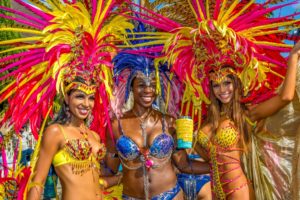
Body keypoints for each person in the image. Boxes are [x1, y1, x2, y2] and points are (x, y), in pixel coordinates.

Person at [0, 1, 134, 199]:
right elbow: (38, 182)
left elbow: (95, 180)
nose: (86, 104)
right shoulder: (56, 132)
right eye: (79, 96)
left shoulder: (93, 136)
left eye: (90, 98)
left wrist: (126, 175)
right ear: (66, 98)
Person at [105, 34, 210, 199]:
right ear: (131, 87)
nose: (148, 90)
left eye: (153, 85)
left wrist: (216, 167)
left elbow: (182, 164)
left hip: (169, 195)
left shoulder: (168, 122)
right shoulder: (117, 125)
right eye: (141, 85)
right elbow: (110, 168)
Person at [195, 42, 300, 199]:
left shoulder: (246, 114)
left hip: (240, 192)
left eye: (227, 83)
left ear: (236, 83)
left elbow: (284, 98)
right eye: (216, 85)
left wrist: (293, 56)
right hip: (216, 193)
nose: (222, 90)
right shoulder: (207, 119)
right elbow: (212, 159)